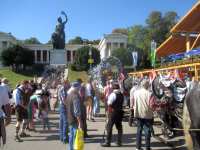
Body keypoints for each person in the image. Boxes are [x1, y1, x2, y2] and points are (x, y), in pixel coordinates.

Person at [133, 79, 155, 150]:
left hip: (138, 113)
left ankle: (138, 147)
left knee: (139, 130)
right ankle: (147, 147)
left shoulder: (136, 93)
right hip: (147, 114)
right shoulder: (150, 93)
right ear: (147, 85)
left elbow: (134, 103)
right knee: (147, 130)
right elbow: (152, 105)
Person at [101, 82, 124, 147]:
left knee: (109, 126)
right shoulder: (121, 94)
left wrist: (108, 112)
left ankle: (107, 142)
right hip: (120, 112)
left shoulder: (113, 94)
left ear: (113, 88)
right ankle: (119, 142)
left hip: (113, 112)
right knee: (119, 127)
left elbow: (109, 104)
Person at [66, 81, 82, 150]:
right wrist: (80, 121)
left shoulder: (69, 95)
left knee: (71, 135)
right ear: (76, 87)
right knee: (75, 136)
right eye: (79, 87)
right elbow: (76, 111)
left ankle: (70, 148)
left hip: (69, 117)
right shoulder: (75, 96)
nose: (79, 89)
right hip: (74, 119)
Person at [58, 79, 70, 143]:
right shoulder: (62, 89)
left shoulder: (63, 89)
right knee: (65, 122)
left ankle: (61, 137)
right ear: (65, 83)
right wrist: (68, 106)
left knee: (62, 122)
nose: (68, 84)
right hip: (63, 106)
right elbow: (64, 100)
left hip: (62, 106)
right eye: (68, 83)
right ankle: (65, 138)